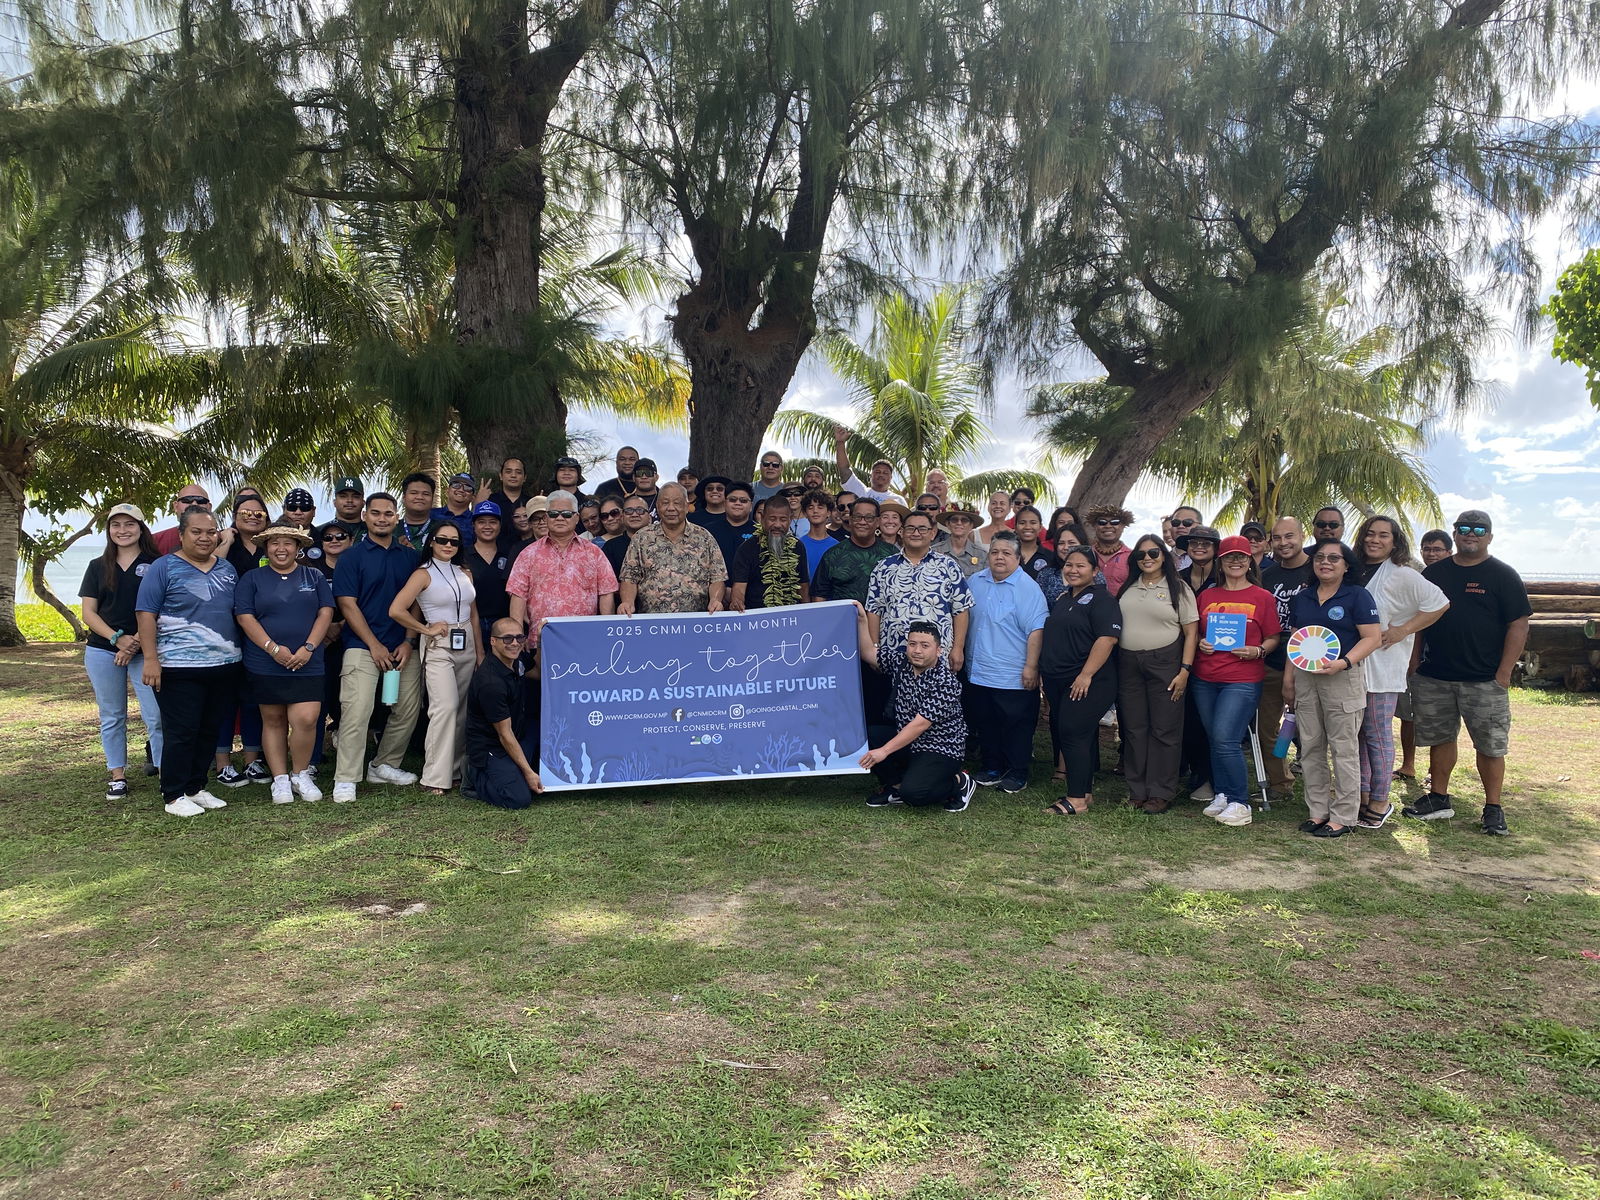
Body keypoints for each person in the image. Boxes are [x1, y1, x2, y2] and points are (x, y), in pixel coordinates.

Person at [1404, 510, 1530, 836]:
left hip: (1485, 679)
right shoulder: (1435, 573)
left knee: (1490, 746)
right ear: (1455, 533)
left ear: (1489, 535)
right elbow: (1421, 619)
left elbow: (1518, 624)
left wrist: (1504, 672)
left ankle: (1493, 808)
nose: (1471, 534)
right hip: (1435, 675)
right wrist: (1414, 660)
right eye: (1464, 528)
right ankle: (1439, 798)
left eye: (1479, 529)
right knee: (1440, 738)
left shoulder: (1503, 575)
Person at [135, 508, 243, 817]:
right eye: (197, 532)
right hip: (177, 666)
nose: (205, 537)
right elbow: (145, 614)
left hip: (224, 665)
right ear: (182, 534)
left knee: (209, 729)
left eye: (211, 532)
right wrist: (151, 659)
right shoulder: (163, 567)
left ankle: (196, 787)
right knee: (182, 731)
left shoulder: (226, 569)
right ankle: (173, 794)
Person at [1351, 516, 1449, 829]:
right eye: (1370, 533)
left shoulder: (1402, 574)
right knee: (1358, 735)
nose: (1374, 540)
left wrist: (1403, 630)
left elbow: (1439, 603)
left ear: (1395, 541)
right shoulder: (1354, 570)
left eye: (1383, 535)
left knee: (1378, 735)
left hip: (1382, 668)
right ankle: (1362, 795)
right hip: (1351, 666)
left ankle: (1381, 800)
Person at [1283, 540, 1383, 837]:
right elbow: (1294, 641)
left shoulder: (1358, 596)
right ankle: (1318, 810)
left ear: (1346, 565)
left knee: (1344, 748)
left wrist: (1344, 662)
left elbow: (1372, 638)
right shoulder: (1302, 599)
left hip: (1342, 678)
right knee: (1311, 747)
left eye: (1333, 558)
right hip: (1305, 677)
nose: (1325, 562)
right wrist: (1289, 680)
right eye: (1320, 557)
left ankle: (1344, 815)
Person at [331, 492, 424, 803]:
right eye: (376, 513)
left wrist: (409, 642)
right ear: (366, 517)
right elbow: (347, 604)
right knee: (357, 710)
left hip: (401, 645)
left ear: (396, 518)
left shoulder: (410, 557)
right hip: (362, 645)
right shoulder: (351, 557)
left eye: (388, 513)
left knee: (408, 707)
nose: (382, 518)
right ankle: (346, 777)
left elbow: (417, 603)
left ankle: (384, 765)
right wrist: (373, 644)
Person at [233, 526, 335, 804]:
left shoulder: (313, 576)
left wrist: (309, 648)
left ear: (297, 547)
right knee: (274, 719)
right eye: (274, 543)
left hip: (308, 661)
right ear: (266, 547)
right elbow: (245, 617)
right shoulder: (252, 578)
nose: (281, 548)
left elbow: (326, 611)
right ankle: (280, 780)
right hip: (265, 662)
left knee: (306, 718)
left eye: (288, 543)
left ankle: (300, 774)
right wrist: (273, 649)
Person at [1191, 536, 1281, 827]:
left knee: (1226, 739)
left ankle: (1241, 802)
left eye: (1242, 557)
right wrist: (1202, 642)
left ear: (1250, 561)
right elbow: (1196, 633)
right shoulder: (1206, 596)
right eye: (1229, 557)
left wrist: (1259, 650)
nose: (1236, 561)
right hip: (1205, 677)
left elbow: (1274, 637)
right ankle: (1223, 794)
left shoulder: (1262, 597)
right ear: (1220, 562)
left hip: (1242, 679)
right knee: (1214, 739)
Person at [390, 526, 483, 794]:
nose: (448, 545)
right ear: (431, 542)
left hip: (465, 639)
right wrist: (426, 629)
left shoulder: (465, 572)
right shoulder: (423, 574)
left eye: (454, 541)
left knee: (463, 710)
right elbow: (396, 610)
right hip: (439, 642)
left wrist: (480, 652)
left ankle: (454, 771)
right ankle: (434, 775)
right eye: (442, 539)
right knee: (445, 707)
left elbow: (473, 614)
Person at [80, 504, 164, 801]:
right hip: (103, 649)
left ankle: (169, 775)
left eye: (130, 524)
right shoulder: (97, 566)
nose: (123, 530)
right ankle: (117, 775)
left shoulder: (158, 564)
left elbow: (163, 607)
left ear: (141, 528)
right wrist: (118, 639)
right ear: (109, 531)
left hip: (146, 650)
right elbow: (89, 612)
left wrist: (136, 641)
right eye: (116, 525)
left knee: (155, 715)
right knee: (112, 714)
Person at [855, 614, 976, 812]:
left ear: (939, 650)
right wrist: (861, 620)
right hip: (908, 741)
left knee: (915, 794)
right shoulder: (901, 662)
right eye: (912, 644)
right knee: (869, 735)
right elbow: (868, 653)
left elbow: (920, 724)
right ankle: (895, 787)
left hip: (940, 746)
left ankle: (959, 781)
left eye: (925, 645)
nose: (917, 650)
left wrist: (884, 751)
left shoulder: (946, 682)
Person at [1115, 535, 1198, 813]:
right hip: (1128, 664)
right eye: (1141, 555)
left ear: (1163, 555)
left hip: (1166, 662)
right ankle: (1137, 789)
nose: (1147, 558)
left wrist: (1185, 670)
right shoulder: (1129, 587)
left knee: (1165, 729)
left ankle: (1161, 792)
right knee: (1134, 729)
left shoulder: (1179, 588)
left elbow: (1191, 633)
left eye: (1153, 552)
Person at [1039, 546, 1123, 816]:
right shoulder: (1065, 598)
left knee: (1073, 732)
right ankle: (1084, 792)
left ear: (1095, 571)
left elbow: (1107, 638)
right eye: (1069, 565)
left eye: (1081, 566)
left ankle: (1075, 799)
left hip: (1089, 680)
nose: (1073, 570)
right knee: (1078, 735)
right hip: (1059, 680)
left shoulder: (1103, 600)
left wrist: (1086, 675)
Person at [965, 534, 1048, 792]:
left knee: (1016, 726)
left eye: (1006, 553)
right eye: (994, 552)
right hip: (978, 671)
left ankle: (1017, 771)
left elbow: (1037, 629)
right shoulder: (975, 581)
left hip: (1012, 673)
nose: (999, 557)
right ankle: (992, 766)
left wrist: (1031, 667)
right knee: (986, 722)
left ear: (1018, 558)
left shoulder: (1027, 588)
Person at [506, 489, 619, 641]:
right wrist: (517, 638)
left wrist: (606, 635)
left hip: (586, 639)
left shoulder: (594, 553)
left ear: (577, 518)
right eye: (553, 514)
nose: (560, 518)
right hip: (541, 642)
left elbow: (606, 593)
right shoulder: (528, 554)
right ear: (546, 518)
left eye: (566, 514)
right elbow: (518, 596)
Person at [865, 509, 974, 665]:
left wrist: (958, 648)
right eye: (910, 528)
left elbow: (961, 609)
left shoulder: (948, 566)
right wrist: (875, 648)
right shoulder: (884, 567)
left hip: (938, 657)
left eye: (922, 529)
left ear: (932, 533)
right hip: (893, 655)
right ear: (901, 532)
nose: (916, 533)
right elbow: (874, 610)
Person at [1258, 517, 1314, 802]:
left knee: (1313, 731)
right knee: (1267, 728)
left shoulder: (1318, 569)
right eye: (1277, 538)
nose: (1283, 543)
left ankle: (1320, 790)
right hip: (1271, 662)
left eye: (1289, 536)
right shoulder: (1265, 576)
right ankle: (1280, 784)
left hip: (1310, 665)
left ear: (1302, 536)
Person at [465, 619, 545, 808]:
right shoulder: (491, 682)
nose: (515, 643)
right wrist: (528, 773)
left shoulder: (517, 661)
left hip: (518, 734)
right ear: (493, 641)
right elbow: (504, 734)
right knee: (519, 799)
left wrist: (540, 642)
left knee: (540, 729)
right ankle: (473, 779)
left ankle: (515, 770)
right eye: (507, 639)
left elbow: (539, 673)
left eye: (519, 637)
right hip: (493, 747)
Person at [1397, 529, 1455, 781]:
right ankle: (1408, 764)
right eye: (1427, 549)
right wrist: (1413, 656)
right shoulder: (1415, 577)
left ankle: (1436, 770)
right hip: (1412, 652)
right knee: (1407, 713)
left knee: (1440, 720)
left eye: (1437, 550)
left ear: (1448, 552)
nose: (1431, 554)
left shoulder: (1454, 578)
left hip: (1446, 658)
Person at [617, 483, 726, 614]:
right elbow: (629, 577)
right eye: (665, 503)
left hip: (696, 621)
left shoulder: (704, 537)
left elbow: (717, 577)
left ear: (686, 507)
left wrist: (715, 600)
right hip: (652, 622)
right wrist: (627, 602)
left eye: (677, 503)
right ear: (657, 507)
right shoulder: (641, 538)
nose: (671, 508)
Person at [729, 498, 809, 610]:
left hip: (791, 616)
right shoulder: (746, 548)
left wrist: (808, 613)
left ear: (790, 520)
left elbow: (803, 585)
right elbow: (739, 587)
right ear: (762, 518)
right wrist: (737, 603)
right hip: (758, 616)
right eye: (772, 519)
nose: (777, 525)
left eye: (783, 520)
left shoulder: (797, 546)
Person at [467, 502, 514, 641]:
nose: (487, 526)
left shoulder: (510, 553)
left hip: (505, 624)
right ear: (474, 526)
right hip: (472, 623)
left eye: (493, 522)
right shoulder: (463, 556)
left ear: (499, 525)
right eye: (481, 522)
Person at [832, 424, 907, 504]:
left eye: (885, 473)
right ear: (871, 475)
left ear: (891, 477)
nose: (881, 475)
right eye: (877, 472)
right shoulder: (861, 492)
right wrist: (840, 442)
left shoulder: (899, 500)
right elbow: (844, 469)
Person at [1012, 506, 1061, 600]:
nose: (1027, 527)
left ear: (1040, 527)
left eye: (1033, 523)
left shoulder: (1051, 557)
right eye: (1022, 523)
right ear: (1015, 527)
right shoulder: (1007, 555)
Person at [708, 481, 758, 573]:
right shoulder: (708, 531)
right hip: (715, 585)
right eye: (732, 500)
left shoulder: (760, 533)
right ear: (724, 503)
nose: (737, 503)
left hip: (750, 586)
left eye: (743, 500)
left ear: (751, 506)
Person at [1084, 504, 1134, 594]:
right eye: (1102, 522)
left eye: (1115, 522)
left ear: (1123, 526)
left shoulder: (1133, 556)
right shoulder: (1084, 555)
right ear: (1094, 526)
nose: (1108, 526)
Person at [152, 483, 213, 554]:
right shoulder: (154, 541)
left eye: (201, 501)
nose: (194, 504)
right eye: (187, 500)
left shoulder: (223, 540)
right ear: (176, 506)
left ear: (209, 507)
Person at [603, 495, 653, 576]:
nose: (634, 515)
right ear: (622, 517)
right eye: (629, 511)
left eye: (640, 510)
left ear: (650, 518)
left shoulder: (662, 544)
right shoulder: (610, 547)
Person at [223, 494, 271, 577]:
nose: (253, 517)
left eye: (259, 514)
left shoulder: (273, 542)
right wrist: (226, 542)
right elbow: (211, 568)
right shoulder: (221, 538)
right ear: (234, 516)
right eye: (245, 513)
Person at [797, 490, 841, 579]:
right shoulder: (798, 545)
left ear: (829, 512)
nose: (815, 511)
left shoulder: (837, 546)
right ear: (805, 513)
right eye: (810, 507)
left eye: (820, 507)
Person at [314, 476, 367, 548]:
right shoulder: (318, 532)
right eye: (343, 496)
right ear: (334, 502)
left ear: (363, 503)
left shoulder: (373, 532)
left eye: (355, 496)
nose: (349, 500)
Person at [398, 473, 446, 549]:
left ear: (432, 499)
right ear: (404, 497)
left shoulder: (443, 530)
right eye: (414, 493)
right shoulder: (391, 529)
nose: (420, 497)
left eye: (426, 494)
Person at [936, 504, 987, 576]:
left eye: (964, 520)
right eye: (954, 520)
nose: (959, 523)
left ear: (971, 525)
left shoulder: (982, 555)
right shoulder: (934, 552)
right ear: (947, 524)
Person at [432, 471, 479, 539]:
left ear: (473, 497)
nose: (461, 490)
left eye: (467, 488)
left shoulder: (476, 522)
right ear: (447, 491)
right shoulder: (430, 515)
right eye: (456, 485)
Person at [1176, 524, 1220, 593]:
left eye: (1206, 544)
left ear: (1215, 549)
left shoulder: (1224, 578)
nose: (1199, 547)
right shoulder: (1177, 577)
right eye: (1193, 543)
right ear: (1187, 547)